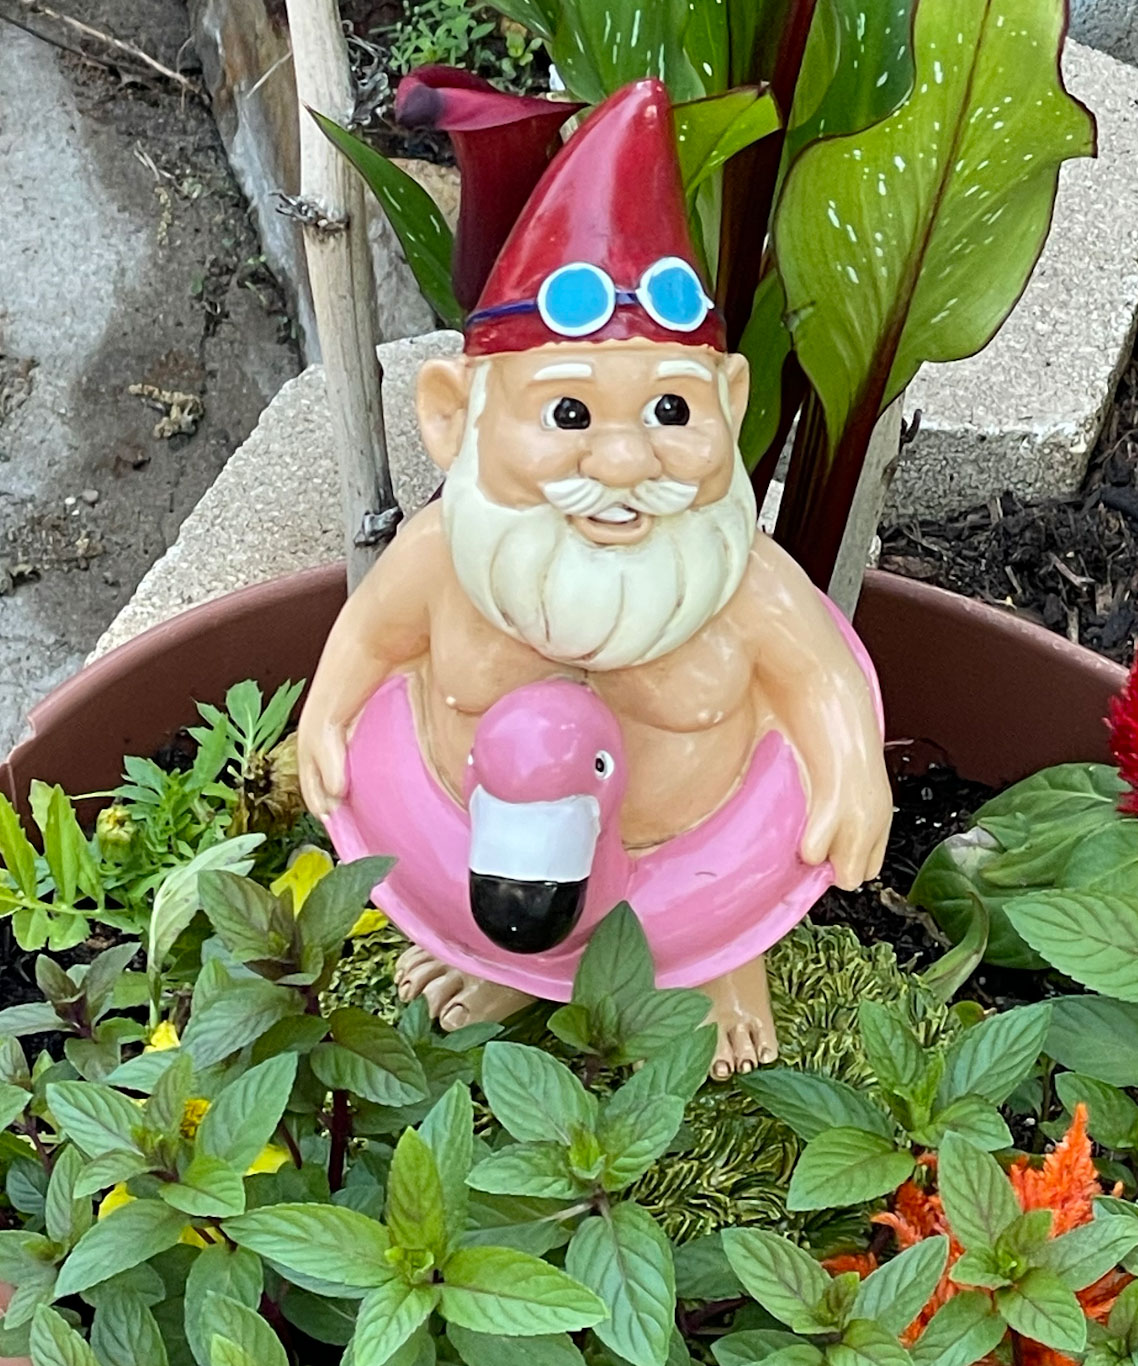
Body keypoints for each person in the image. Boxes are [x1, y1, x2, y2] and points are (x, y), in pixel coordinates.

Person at [298, 79, 891, 1078]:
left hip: (695, 862)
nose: (622, 465)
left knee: (741, 879)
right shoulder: (448, 554)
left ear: (729, 405)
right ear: (454, 417)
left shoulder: (732, 576)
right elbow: (373, 637)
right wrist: (326, 711)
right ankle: (505, 959)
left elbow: (815, 672)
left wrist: (851, 765)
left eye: (668, 414)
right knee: (488, 872)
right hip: (471, 839)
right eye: (569, 416)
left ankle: (716, 964)